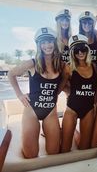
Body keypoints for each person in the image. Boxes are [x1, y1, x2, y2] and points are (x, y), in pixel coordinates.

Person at [8, 27, 64, 158]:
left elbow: (64, 82)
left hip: (50, 111)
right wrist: (19, 95)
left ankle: (48, 132)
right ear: (38, 45)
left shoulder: (61, 65)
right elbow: (11, 74)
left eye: (50, 41)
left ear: (54, 43)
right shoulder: (32, 63)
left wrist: (57, 93)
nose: (47, 45)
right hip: (31, 110)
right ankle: (37, 132)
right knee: (31, 155)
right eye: (43, 42)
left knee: (53, 152)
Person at [61, 34, 97, 152]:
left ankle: (74, 133)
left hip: (88, 110)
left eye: (83, 49)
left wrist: (96, 105)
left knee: (84, 147)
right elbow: (60, 86)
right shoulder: (69, 67)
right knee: (65, 149)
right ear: (72, 52)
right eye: (76, 50)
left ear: (87, 50)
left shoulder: (94, 66)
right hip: (72, 109)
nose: (80, 53)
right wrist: (70, 91)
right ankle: (63, 131)